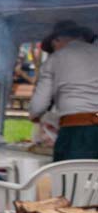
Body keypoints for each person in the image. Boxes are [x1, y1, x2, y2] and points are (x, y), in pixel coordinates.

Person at [30, 20, 98, 160]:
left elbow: (39, 104)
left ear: (57, 40)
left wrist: (35, 115)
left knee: (71, 172)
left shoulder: (55, 59)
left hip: (78, 130)